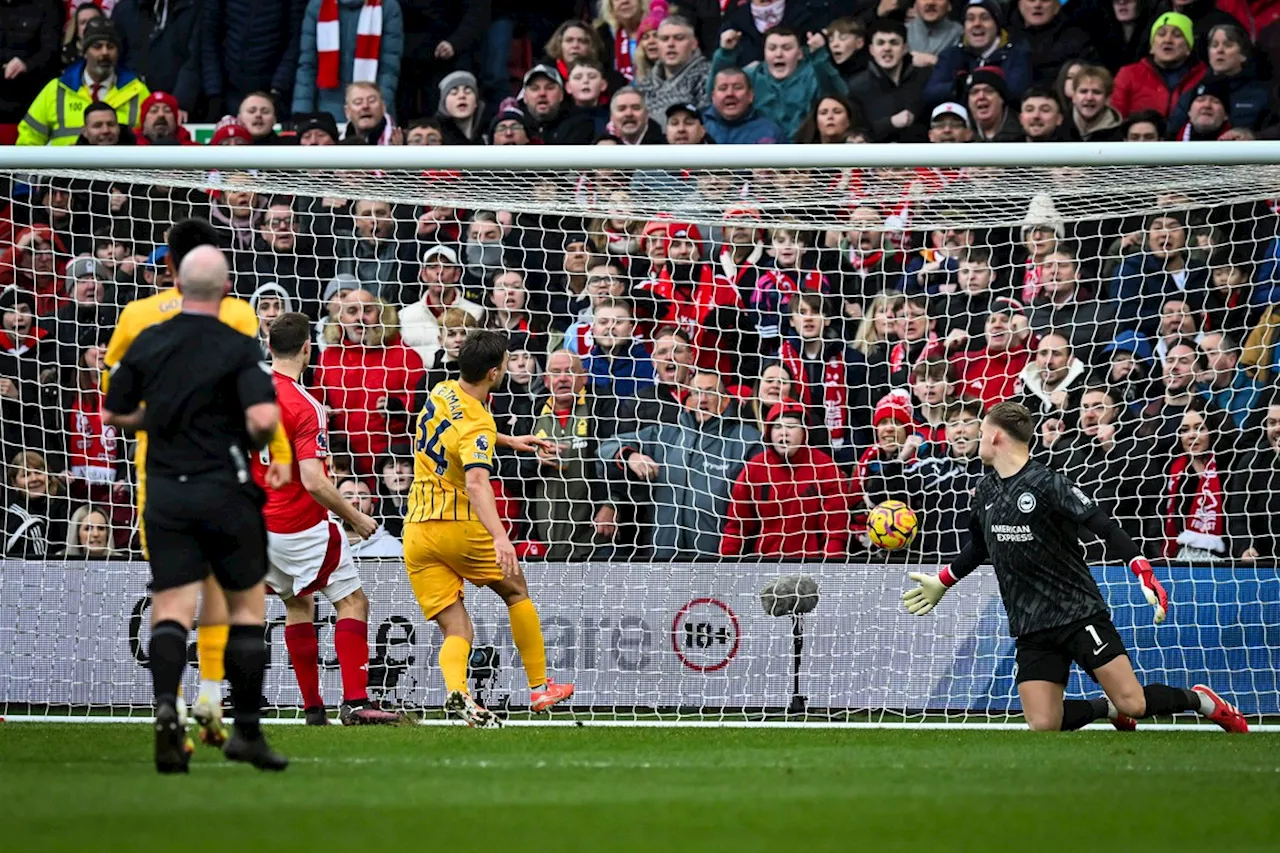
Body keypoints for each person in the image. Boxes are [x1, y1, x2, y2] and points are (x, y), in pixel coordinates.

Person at [902, 401, 1248, 734]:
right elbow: (979, 547)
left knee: (1135, 703)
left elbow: (1105, 526)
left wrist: (1141, 569)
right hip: (1030, 623)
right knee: (1043, 725)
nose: (976, 439)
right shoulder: (985, 490)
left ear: (995, 436)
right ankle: (1105, 708)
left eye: (981, 432)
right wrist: (943, 581)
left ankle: (1201, 701)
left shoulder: (1048, 483)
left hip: (1077, 613)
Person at [102, 218, 293, 752]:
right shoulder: (236, 313)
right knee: (231, 595)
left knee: (174, 594)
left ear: (170, 267)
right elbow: (262, 395)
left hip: (158, 473)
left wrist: (156, 414)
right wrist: (277, 453)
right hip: (225, 473)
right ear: (222, 273)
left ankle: (178, 701)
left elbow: (112, 395)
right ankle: (215, 696)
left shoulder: (137, 318)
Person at [402, 330, 574, 726]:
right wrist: (500, 538)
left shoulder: (442, 389)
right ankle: (539, 687)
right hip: (455, 523)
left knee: (456, 626)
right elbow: (478, 481)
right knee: (515, 590)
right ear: (495, 373)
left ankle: (458, 693)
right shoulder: (478, 423)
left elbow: (462, 429)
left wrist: (510, 439)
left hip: (416, 530)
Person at [250, 312, 403, 726]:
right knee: (352, 601)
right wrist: (357, 517)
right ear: (306, 348)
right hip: (300, 524)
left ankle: (313, 709)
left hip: (258, 525)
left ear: (268, 345)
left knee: (298, 604)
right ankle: (355, 702)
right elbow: (315, 480)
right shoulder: (306, 405)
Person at [720, 400, 849, 559]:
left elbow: (834, 534)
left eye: (791, 426)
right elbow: (736, 527)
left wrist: (830, 575)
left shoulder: (826, 468)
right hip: (764, 566)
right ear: (769, 432)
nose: (784, 433)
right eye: (778, 427)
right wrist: (725, 568)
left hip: (810, 568)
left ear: (804, 432)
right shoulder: (755, 468)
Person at [18, 18, 150, 146]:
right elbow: (28, 141)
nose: (105, 52)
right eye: (97, 47)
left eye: (110, 47)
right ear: (85, 52)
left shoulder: (137, 91)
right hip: (67, 168)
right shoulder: (56, 90)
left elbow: (154, 140)